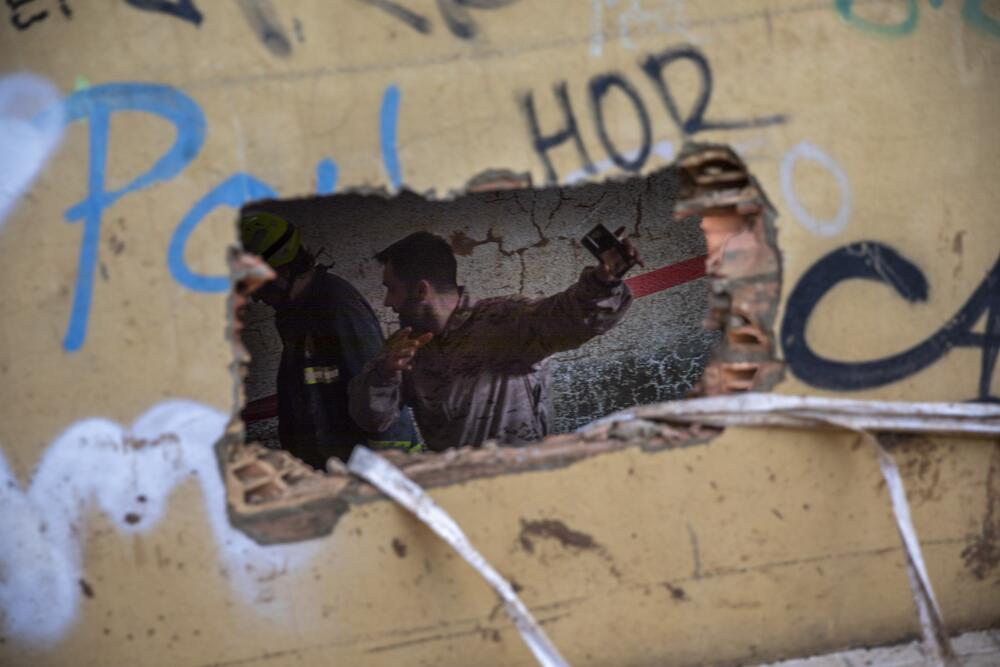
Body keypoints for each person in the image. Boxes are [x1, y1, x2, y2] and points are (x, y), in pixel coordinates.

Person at [348, 230, 639, 452]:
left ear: (421, 291)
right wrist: (384, 373)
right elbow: (372, 420)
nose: (387, 302)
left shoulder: (506, 321)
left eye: (391, 289)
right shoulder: (406, 347)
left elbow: (572, 317)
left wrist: (603, 283)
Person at [239, 212, 419, 469]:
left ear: (282, 270)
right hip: (331, 466)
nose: (256, 298)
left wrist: (390, 470)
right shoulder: (291, 313)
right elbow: (302, 393)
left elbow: (379, 396)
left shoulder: (338, 307)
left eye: (258, 286)